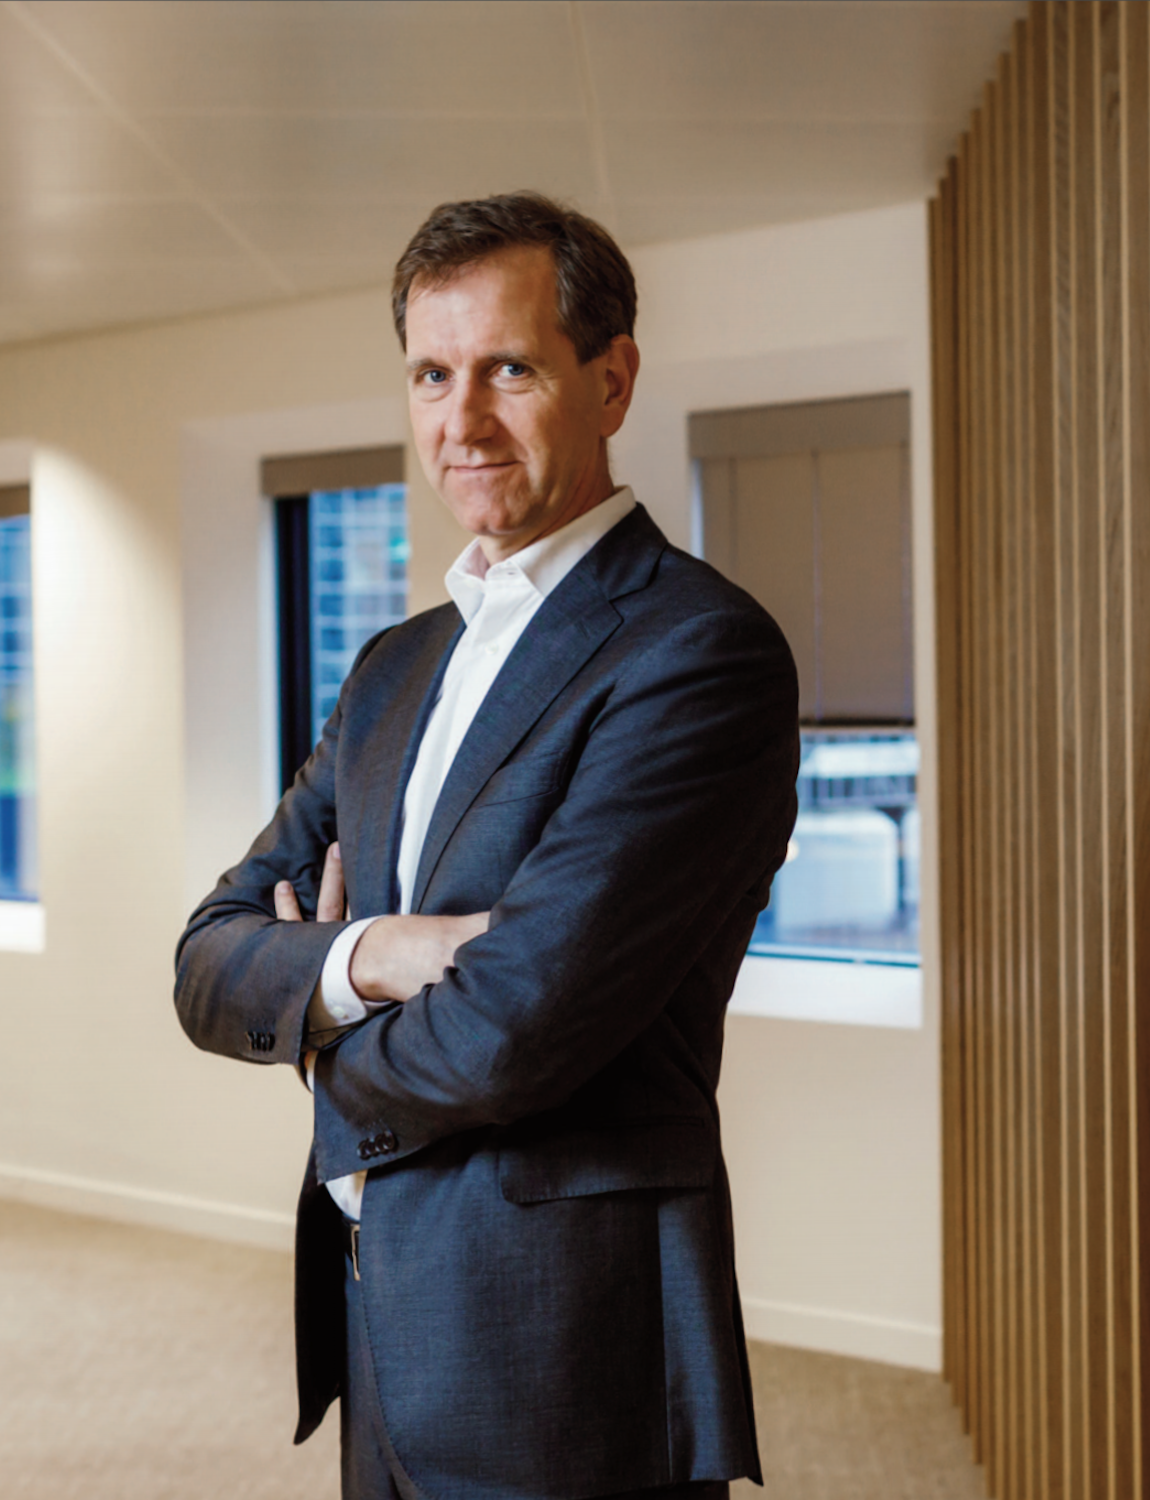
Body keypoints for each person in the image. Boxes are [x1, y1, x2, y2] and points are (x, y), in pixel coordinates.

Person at [174, 191, 799, 1500]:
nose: (461, 422)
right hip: (377, 1309)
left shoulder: (697, 652)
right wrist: (379, 954)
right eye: (431, 374)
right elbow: (209, 959)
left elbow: (516, 1027)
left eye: (509, 369)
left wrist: (314, 1019)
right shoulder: (394, 668)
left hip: (563, 1340)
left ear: (611, 379)